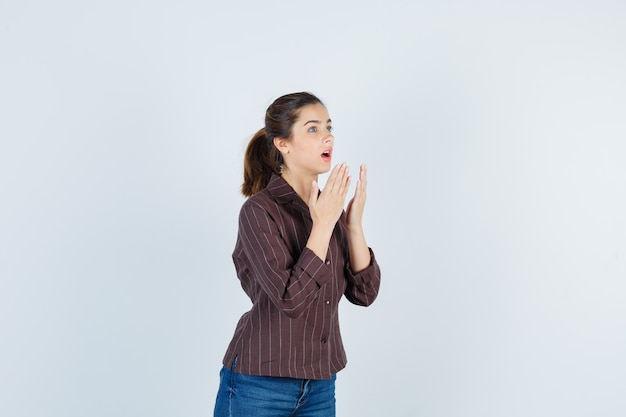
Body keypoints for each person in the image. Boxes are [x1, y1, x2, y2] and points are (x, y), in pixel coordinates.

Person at [213, 92, 381, 417]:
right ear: (283, 144)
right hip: (258, 384)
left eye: (329, 127)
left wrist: (354, 224)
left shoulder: (329, 209)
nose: (328, 136)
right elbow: (291, 299)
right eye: (313, 129)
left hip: (319, 386)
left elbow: (364, 293)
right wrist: (322, 225)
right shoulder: (258, 212)